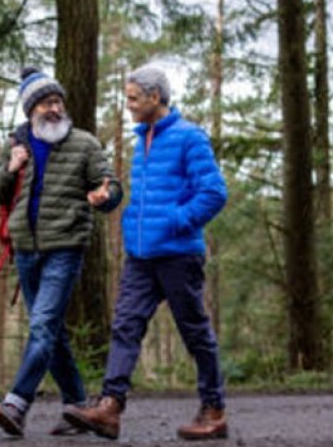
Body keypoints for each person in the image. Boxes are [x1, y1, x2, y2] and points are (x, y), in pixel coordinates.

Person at [63, 65, 228, 441]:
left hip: (178, 254)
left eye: (133, 98)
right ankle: (110, 407)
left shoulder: (190, 138)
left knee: (194, 332)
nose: (129, 106)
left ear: (155, 98)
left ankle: (214, 409)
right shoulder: (143, 140)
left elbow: (214, 193)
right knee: (125, 324)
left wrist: (175, 221)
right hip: (141, 255)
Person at [0, 67, 123, 437]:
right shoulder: (16, 144)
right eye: (46, 103)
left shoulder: (84, 144)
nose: (54, 109)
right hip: (26, 250)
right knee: (52, 331)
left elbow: (111, 185)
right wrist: (11, 168)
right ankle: (76, 406)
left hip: (65, 246)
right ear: (31, 110)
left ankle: (17, 403)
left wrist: (106, 196)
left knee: (42, 325)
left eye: (58, 101)